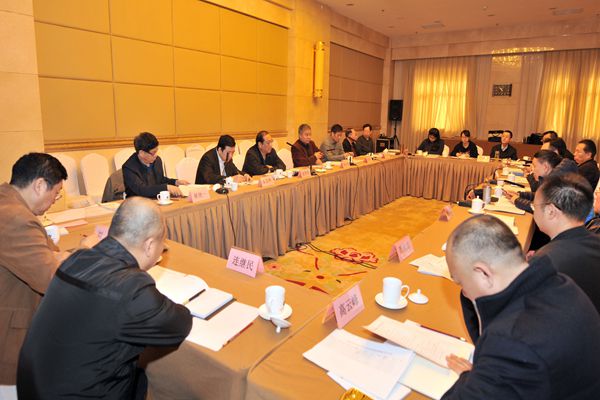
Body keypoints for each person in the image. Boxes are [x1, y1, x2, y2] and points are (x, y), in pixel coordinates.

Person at [17, 197, 193, 399]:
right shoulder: (132, 286)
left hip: (33, 388)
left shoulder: (77, 258)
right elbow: (178, 324)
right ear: (150, 245)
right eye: (162, 244)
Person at [442, 215, 600, 399]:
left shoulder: (511, 342)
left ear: (483, 273)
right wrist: (484, 378)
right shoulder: (562, 285)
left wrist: (471, 379)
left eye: (461, 283)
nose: (466, 293)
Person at [0, 153, 97, 384]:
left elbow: (50, 254)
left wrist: (63, 255)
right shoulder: (16, 218)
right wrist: (84, 251)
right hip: (11, 331)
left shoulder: (9, 203)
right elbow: (52, 278)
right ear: (40, 185)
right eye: (56, 193)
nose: (55, 199)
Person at [529, 173, 600, 313]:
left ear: (550, 211)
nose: (534, 211)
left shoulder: (545, 262)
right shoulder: (595, 242)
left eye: (534, 206)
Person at [123, 132, 187, 199]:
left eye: (156, 151)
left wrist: (176, 182)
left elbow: (160, 180)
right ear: (142, 153)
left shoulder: (157, 160)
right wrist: (166, 187)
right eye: (153, 153)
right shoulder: (129, 168)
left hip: (156, 199)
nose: (156, 155)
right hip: (137, 202)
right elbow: (142, 190)